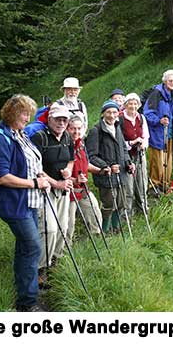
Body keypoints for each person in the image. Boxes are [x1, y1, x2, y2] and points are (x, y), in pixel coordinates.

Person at [0, 94, 51, 311]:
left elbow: (30, 162)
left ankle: (23, 287)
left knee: (25, 247)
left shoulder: (20, 134)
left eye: (29, 113)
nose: (28, 117)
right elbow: (2, 176)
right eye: (24, 113)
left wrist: (42, 176)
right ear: (12, 112)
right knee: (33, 247)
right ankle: (28, 303)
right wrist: (34, 183)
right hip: (15, 203)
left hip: (29, 202)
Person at [30, 103, 74, 280]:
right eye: (58, 119)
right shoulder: (40, 138)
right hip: (46, 190)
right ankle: (40, 267)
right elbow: (36, 169)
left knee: (63, 227)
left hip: (63, 189)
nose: (61, 123)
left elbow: (71, 160)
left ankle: (55, 260)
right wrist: (56, 183)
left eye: (64, 119)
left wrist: (68, 171)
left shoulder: (67, 138)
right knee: (49, 229)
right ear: (49, 119)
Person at [86, 100, 135, 233]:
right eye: (108, 112)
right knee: (108, 204)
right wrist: (107, 166)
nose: (112, 115)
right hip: (106, 175)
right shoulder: (96, 131)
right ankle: (105, 230)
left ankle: (116, 228)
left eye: (114, 112)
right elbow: (92, 156)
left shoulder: (118, 128)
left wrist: (129, 163)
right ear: (103, 114)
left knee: (120, 203)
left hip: (122, 173)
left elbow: (124, 150)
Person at [66, 116, 103, 246]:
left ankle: (96, 241)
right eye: (73, 129)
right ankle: (64, 251)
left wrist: (101, 170)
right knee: (68, 224)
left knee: (95, 213)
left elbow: (86, 165)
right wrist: (75, 179)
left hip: (83, 189)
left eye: (79, 128)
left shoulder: (81, 144)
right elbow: (57, 175)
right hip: (68, 192)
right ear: (67, 129)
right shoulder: (63, 146)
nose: (76, 132)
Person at [143, 69, 173, 192]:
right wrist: (159, 120)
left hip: (170, 134)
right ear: (164, 80)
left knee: (168, 161)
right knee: (158, 161)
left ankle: (165, 184)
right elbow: (147, 113)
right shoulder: (156, 94)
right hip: (157, 133)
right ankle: (154, 186)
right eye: (170, 80)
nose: (172, 82)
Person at [119, 93, 150, 216]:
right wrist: (131, 143)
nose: (133, 106)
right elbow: (119, 140)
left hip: (140, 154)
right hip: (126, 156)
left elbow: (146, 136)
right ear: (125, 105)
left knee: (142, 181)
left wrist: (144, 144)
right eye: (130, 103)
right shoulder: (120, 119)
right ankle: (127, 212)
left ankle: (143, 206)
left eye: (135, 103)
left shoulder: (141, 118)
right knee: (128, 184)